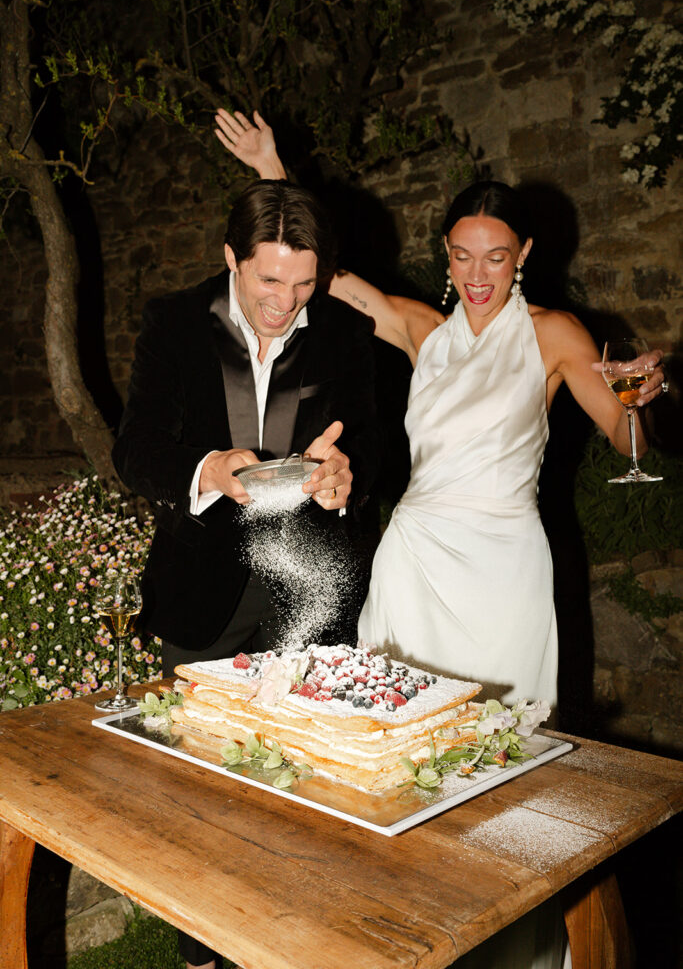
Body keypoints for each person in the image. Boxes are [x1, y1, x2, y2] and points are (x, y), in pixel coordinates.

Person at [214, 111, 665, 969]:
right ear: (447, 257)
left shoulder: (555, 335)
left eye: (496, 255)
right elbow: (332, 280)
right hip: (415, 562)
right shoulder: (424, 330)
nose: (478, 272)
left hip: (504, 570)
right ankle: (404, 938)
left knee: (500, 766)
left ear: (523, 254)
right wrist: (275, 171)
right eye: (462, 254)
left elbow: (623, 437)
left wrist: (639, 404)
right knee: (396, 751)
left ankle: (512, 945)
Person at [113, 178, 378, 969]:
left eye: (302, 284)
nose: (285, 302)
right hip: (203, 589)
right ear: (231, 258)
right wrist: (208, 466)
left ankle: (289, 942)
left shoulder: (342, 330)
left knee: (305, 786)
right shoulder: (173, 322)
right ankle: (203, 954)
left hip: (312, 591)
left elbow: (377, 444)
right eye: (269, 281)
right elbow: (135, 449)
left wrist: (346, 477)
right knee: (199, 792)